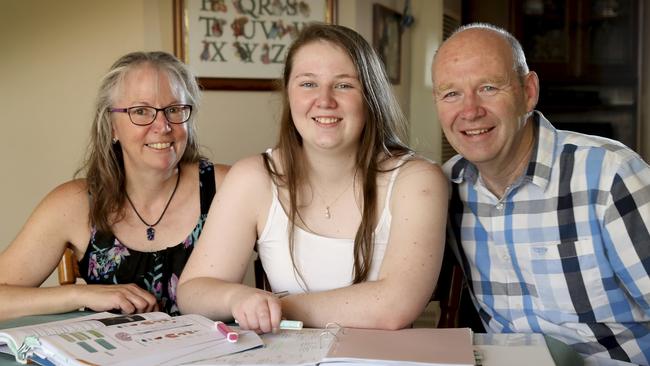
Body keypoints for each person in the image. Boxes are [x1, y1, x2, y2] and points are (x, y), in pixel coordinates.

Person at [177, 23, 448, 333]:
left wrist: (273, 307)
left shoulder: (418, 180)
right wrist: (237, 297)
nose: (325, 100)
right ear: (288, 94)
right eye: (308, 84)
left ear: (370, 96)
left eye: (344, 85)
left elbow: (394, 309)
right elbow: (192, 292)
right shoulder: (254, 177)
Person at [433, 23, 650, 366]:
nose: (470, 110)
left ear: (528, 92)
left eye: (488, 88)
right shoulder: (443, 189)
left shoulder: (610, 174)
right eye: (451, 94)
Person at [0, 51, 229, 320]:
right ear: (112, 127)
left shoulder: (228, 187)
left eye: (174, 109)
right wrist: (82, 295)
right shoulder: (74, 203)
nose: (163, 125)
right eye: (141, 111)